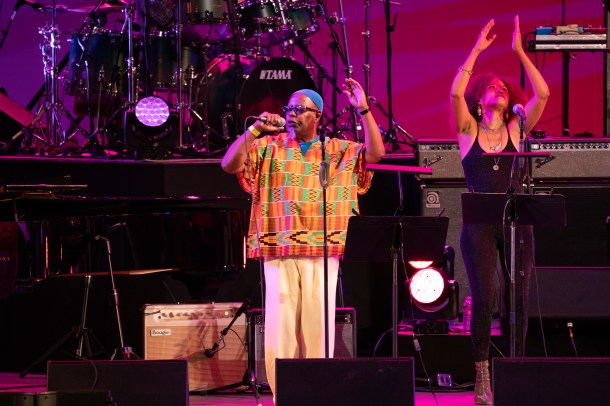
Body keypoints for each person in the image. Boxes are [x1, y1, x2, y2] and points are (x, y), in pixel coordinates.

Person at [221, 78, 384, 400]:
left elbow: (376, 154)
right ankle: (283, 395)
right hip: (278, 247)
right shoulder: (268, 146)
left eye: (300, 109)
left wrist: (363, 109)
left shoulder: (337, 149)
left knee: (317, 324)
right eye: (289, 108)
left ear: (317, 115)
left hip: (323, 248)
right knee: (280, 325)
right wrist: (255, 129)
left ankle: (316, 393)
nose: (291, 114)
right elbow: (229, 164)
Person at [449, 16, 550, 405]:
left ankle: (515, 370)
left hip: (515, 224)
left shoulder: (517, 129)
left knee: (518, 300)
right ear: (480, 100)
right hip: (479, 226)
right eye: (492, 87)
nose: (500, 90)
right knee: (485, 298)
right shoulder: (468, 131)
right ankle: (482, 374)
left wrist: (520, 53)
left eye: (503, 88)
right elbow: (455, 93)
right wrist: (477, 49)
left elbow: (542, 94)